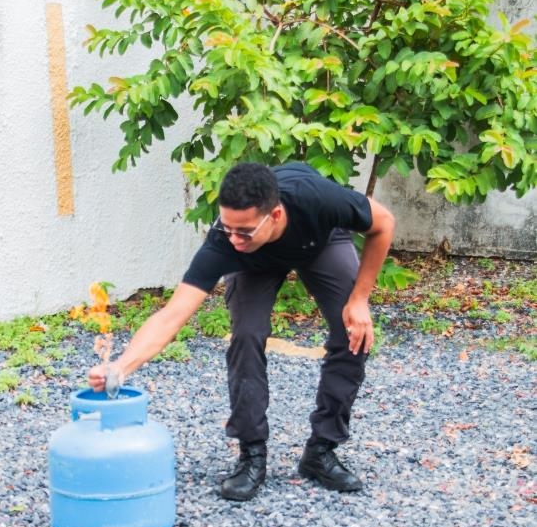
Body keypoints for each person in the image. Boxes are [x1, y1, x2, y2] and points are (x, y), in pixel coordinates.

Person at [88, 161, 395, 501]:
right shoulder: (228, 241)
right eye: (227, 227)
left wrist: (360, 298)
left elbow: (383, 224)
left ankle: (321, 451)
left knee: (353, 332)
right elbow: (172, 315)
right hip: (254, 263)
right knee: (247, 336)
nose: (233, 238)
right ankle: (252, 454)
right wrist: (121, 367)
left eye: (243, 231)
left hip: (318, 243)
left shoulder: (318, 198)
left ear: (274, 215)